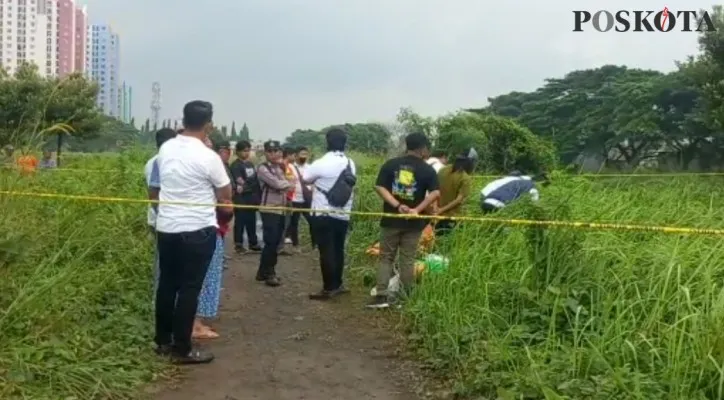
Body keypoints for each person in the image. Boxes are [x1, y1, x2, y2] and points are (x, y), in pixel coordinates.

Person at [149, 100, 232, 364]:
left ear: (182, 120)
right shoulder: (209, 157)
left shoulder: (166, 148)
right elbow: (226, 195)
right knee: (189, 288)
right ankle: (182, 348)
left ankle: (163, 341)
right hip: (197, 230)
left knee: (167, 285)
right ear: (209, 125)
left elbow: (157, 187)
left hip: (167, 228)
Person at [367, 132, 440, 309]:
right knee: (407, 259)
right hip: (414, 223)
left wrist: (397, 205)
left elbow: (379, 187)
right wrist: (417, 209)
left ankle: (381, 295)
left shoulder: (391, 164)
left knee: (386, 258)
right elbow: (436, 193)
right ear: (423, 148)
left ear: (407, 146)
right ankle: (405, 296)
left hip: (391, 220)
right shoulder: (427, 169)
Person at [302, 128, 356, 300]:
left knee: (326, 251)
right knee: (339, 249)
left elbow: (306, 178)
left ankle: (328, 288)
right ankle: (338, 284)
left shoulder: (321, 162)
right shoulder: (350, 163)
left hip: (323, 212)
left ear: (327, 142)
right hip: (343, 213)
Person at [192, 139, 235, 340]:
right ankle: (195, 325)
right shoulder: (209, 167)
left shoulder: (171, 162)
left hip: (182, 228)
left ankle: (190, 323)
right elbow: (225, 201)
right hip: (206, 229)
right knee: (204, 276)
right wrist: (227, 207)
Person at [256, 140, 294, 287]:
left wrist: (287, 185)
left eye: (276, 151)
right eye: (270, 151)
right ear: (265, 153)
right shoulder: (262, 168)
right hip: (269, 209)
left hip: (281, 208)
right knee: (271, 242)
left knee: (277, 241)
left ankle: (263, 271)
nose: (273, 154)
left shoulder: (280, 167)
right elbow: (278, 184)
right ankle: (270, 272)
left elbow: (291, 182)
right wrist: (287, 185)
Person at [145, 128, 177, 293]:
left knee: (160, 259)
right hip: (166, 218)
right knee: (165, 263)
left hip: (156, 217)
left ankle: (158, 294)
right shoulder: (165, 162)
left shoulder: (151, 162)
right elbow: (154, 192)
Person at [434, 148, 478, 235]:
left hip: (436, 215)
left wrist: (437, 209)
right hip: (452, 217)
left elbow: (435, 190)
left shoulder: (443, 170)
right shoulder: (465, 178)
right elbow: (459, 200)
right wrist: (441, 210)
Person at [230, 140, 262, 253]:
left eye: (248, 150)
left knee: (251, 221)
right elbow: (240, 182)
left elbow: (254, 180)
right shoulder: (235, 165)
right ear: (237, 151)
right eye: (244, 150)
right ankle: (238, 244)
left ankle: (253, 243)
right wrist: (247, 185)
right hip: (241, 198)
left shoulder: (250, 164)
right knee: (240, 221)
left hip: (251, 198)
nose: (246, 153)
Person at [286, 146, 314, 251]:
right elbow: (288, 181)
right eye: (301, 154)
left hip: (307, 199)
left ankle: (314, 244)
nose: (304, 157)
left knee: (312, 221)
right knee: (294, 223)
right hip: (295, 199)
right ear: (296, 155)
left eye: (305, 154)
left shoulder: (310, 167)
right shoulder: (290, 167)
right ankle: (295, 245)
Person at [480, 171, 549, 213]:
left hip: (486, 201)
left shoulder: (515, 181)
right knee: (505, 229)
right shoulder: (532, 187)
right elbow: (535, 205)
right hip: (499, 204)